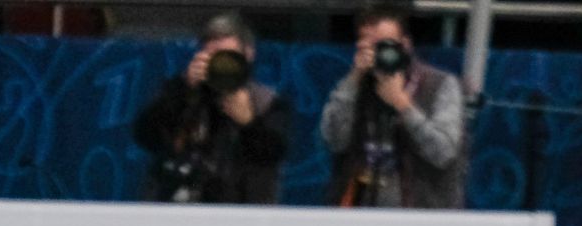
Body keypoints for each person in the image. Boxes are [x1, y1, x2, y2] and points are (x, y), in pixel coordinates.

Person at [132, 12, 291, 205]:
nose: (220, 63)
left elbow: (274, 155)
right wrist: (183, 88)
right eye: (212, 56)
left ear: (248, 54)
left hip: (242, 210)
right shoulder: (182, 93)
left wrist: (250, 124)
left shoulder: (267, 102)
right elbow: (145, 136)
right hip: (179, 205)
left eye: (227, 56)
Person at [320, 4, 465, 209]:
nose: (377, 54)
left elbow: (443, 152)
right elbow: (334, 141)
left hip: (422, 215)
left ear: (405, 45)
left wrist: (402, 104)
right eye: (368, 46)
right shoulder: (353, 87)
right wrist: (353, 80)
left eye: (384, 45)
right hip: (359, 211)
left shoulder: (440, 85)